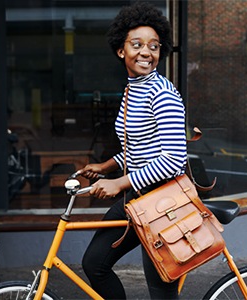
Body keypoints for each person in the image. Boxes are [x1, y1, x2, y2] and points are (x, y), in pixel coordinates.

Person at [77, 2, 187, 299]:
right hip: (136, 196)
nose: (146, 52)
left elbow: (173, 160)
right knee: (94, 263)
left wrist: (118, 183)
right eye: (136, 44)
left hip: (162, 203)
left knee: (161, 291)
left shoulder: (162, 93)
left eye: (154, 46)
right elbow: (143, 148)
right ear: (120, 50)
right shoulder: (133, 90)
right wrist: (107, 166)